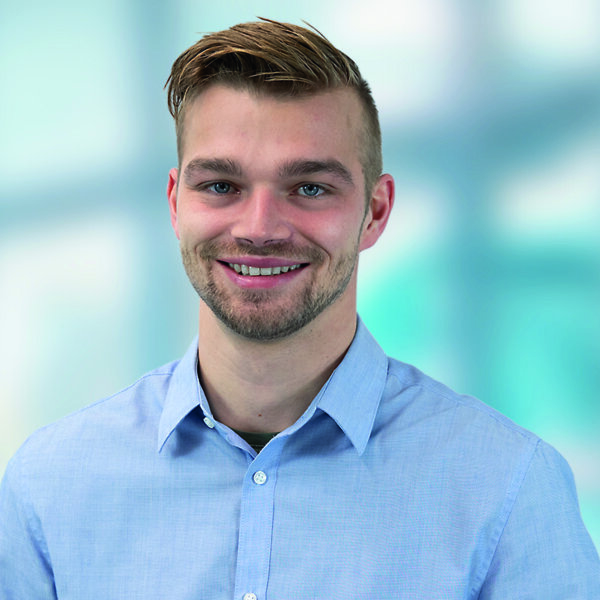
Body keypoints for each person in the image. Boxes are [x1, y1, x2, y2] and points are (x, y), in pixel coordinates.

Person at [1, 18, 598, 599]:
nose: (259, 228)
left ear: (376, 211)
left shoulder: (509, 489)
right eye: (221, 186)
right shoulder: (49, 485)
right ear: (176, 203)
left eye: (310, 188)